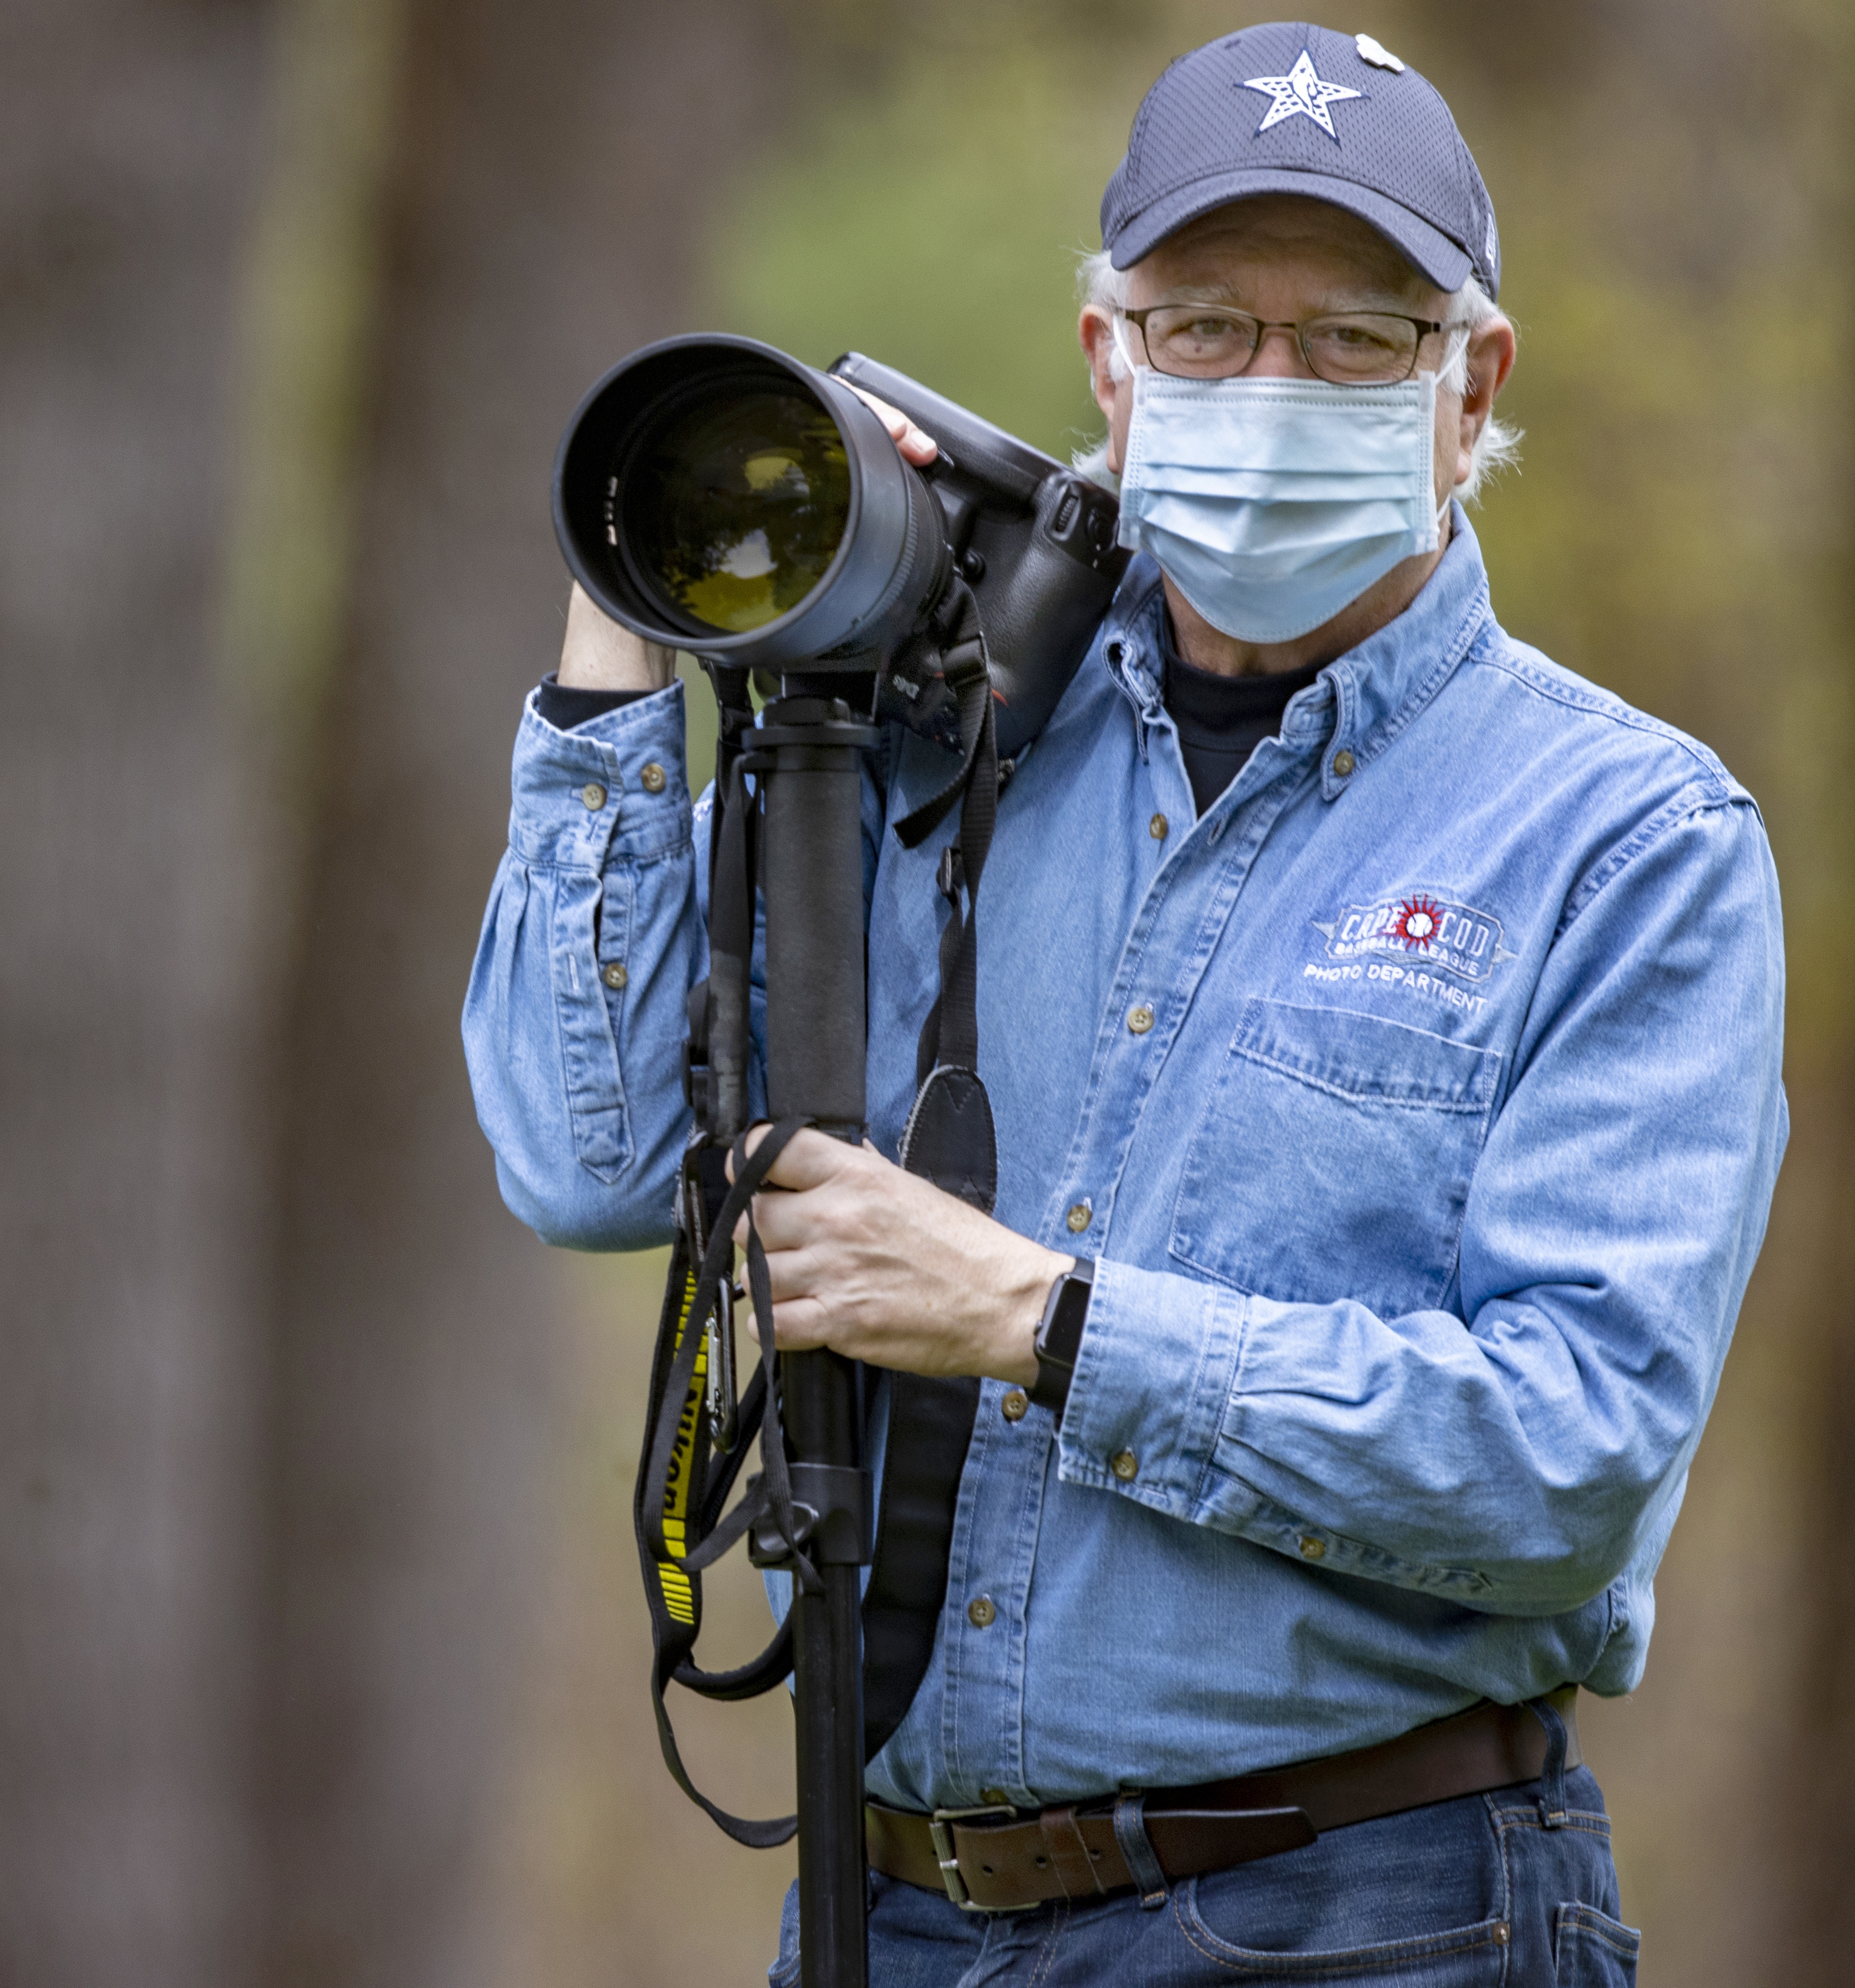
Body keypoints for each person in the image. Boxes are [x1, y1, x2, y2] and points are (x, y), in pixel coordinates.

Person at [462, 20, 1786, 1986]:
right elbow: (589, 1159)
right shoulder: (925, 752)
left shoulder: (1627, 840)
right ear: (1107, 363)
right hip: (886, 1906)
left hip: (1369, 1916)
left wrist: (1036, 1319)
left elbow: (1567, 1465)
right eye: (1202, 332)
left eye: (1352, 339)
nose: (1272, 386)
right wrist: (646, 614)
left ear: (1471, 379)